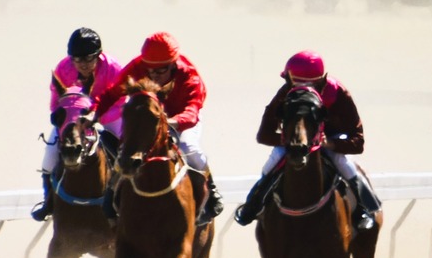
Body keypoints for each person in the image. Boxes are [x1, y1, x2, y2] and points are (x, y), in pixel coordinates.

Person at [86, 31, 224, 225]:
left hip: (181, 120)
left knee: (189, 147)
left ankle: (211, 190)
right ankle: (111, 194)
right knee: (128, 147)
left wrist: (171, 122)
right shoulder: (139, 66)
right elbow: (112, 93)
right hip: (148, 118)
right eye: (149, 70)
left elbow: (192, 112)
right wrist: (94, 113)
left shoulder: (190, 77)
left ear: (173, 65)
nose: (153, 75)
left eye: (160, 71)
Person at [236, 51, 382, 230]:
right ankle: (252, 205)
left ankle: (364, 209)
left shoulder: (338, 93)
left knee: (341, 161)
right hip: (296, 141)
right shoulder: (284, 94)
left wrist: (330, 143)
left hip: (329, 140)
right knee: (273, 160)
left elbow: (358, 142)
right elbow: (264, 135)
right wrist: (291, 141)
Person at [31, 27, 122, 222]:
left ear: (99, 55)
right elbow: (55, 103)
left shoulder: (113, 68)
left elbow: (121, 103)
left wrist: (96, 118)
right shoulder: (63, 69)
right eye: (78, 60)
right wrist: (61, 119)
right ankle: (48, 202)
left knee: (127, 148)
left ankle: (128, 199)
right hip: (74, 117)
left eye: (89, 59)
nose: (83, 65)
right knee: (49, 157)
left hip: (109, 113)